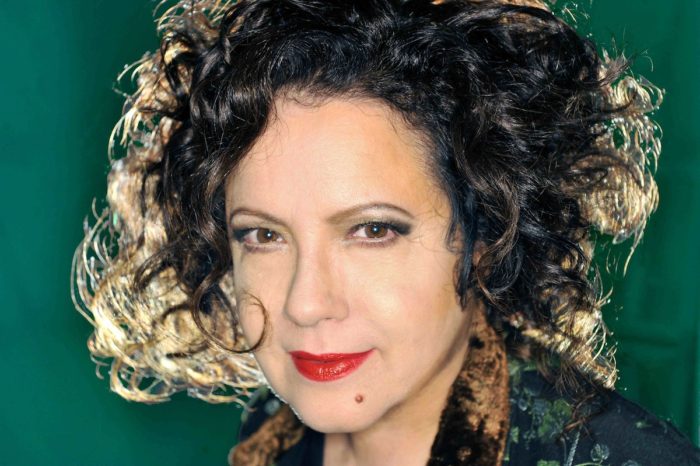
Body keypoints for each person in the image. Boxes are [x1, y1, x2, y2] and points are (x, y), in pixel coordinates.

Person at [72, 0, 699, 464]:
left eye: (372, 230)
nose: (305, 304)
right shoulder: (276, 432)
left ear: (485, 232)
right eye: (262, 236)